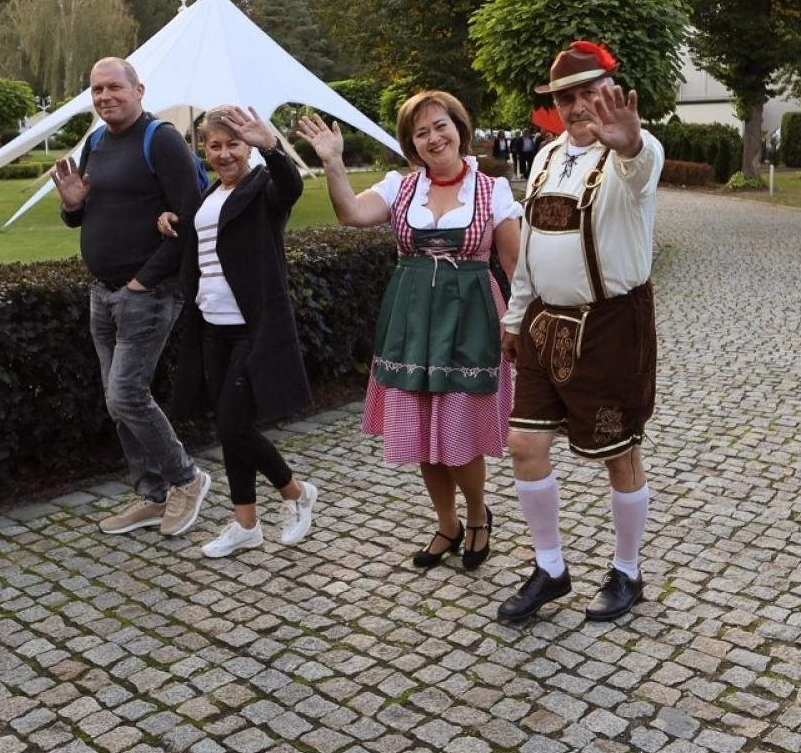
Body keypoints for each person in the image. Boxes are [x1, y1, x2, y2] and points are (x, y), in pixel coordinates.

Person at [296, 93, 520, 571]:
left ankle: (477, 516)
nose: (434, 138)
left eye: (441, 126)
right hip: (412, 321)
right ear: (410, 143)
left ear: (459, 127)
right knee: (421, 431)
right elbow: (351, 214)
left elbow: (514, 264)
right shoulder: (400, 188)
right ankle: (447, 524)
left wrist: (520, 322)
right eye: (421, 132)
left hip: (471, 320)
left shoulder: (492, 190)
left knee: (458, 431)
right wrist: (333, 163)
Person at [496, 41, 664, 625]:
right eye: (565, 97)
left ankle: (627, 571)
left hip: (612, 324)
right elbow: (530, 247)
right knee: (523, 445)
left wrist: (630, 143)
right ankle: (550, 567)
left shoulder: (636, 151)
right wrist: (515, 316)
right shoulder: (545, 157)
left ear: (611, 91)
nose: (576, 106)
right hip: (545, 322)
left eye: (588, 92)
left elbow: (639, 169)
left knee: (620, 452)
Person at [52, 56, 212, 539]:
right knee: (116, 401)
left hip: (149, 293)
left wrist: (143, 281)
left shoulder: (160, 139)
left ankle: (187, 479)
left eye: (114, 87)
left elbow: (191, 218)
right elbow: (83, 214)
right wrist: (71, 207)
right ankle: (151, 494)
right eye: (97, 89)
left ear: (138, 90)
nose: (105, 97)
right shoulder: (96, 142)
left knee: (126, 396)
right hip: (103, 293)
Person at [159, 106, 319, 558]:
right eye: (215, 146)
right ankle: (246, 524)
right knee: (231, 428)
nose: (224, 153)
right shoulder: (209, 194)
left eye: (234, 144)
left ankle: (296, 492)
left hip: (252, 327)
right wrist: (172, 221)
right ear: (204, 149)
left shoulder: (263, 188)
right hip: (213, 327)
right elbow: (208, 241)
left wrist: (272, 147)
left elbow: (291, 187)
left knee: (233, 427)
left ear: (248, 147)